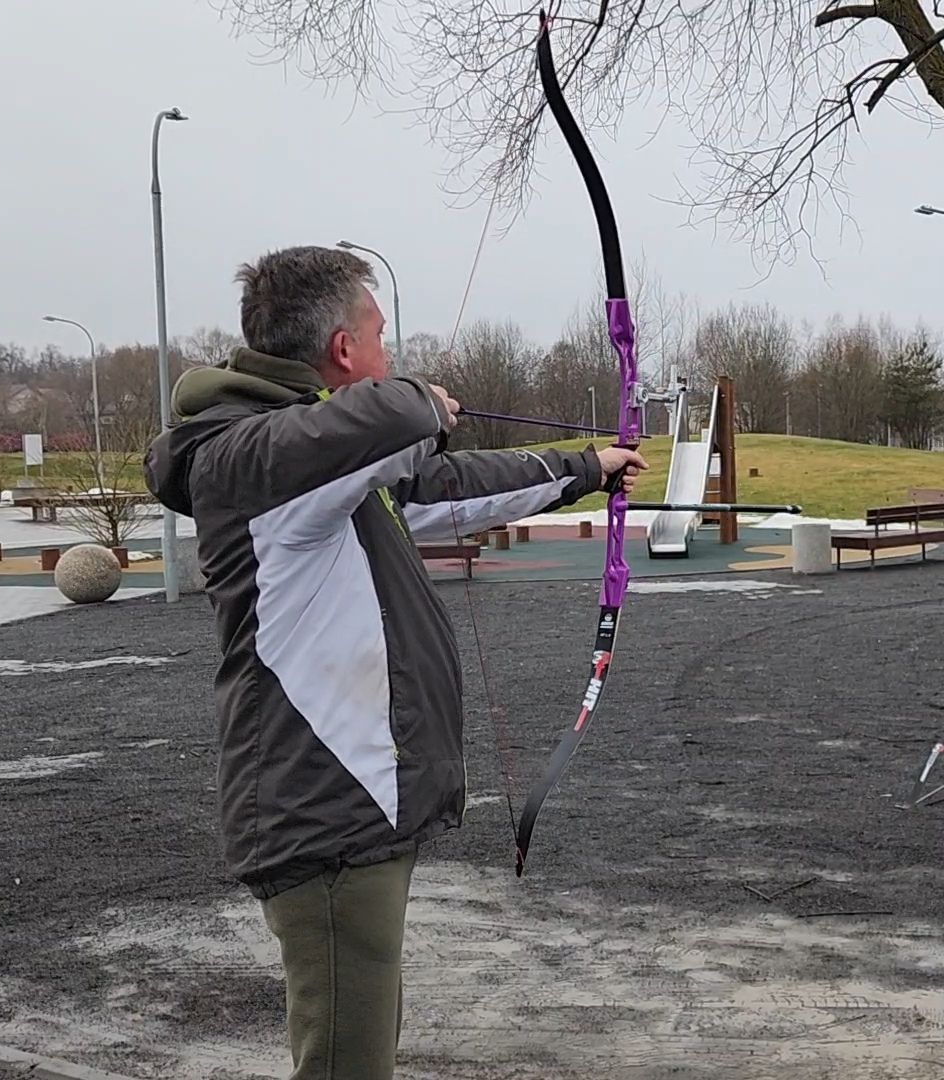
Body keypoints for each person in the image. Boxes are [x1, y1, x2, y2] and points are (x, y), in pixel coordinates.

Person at [143, 245, 646, 1080]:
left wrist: (582, 470)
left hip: (347, 811)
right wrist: (418, 401)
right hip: (324, 812)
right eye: (378, 334)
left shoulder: (319, 469)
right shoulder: (252, 459)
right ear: (344, 350)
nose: (388, 353)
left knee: (357, 1045)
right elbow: (401, 421)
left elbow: (439, 487)